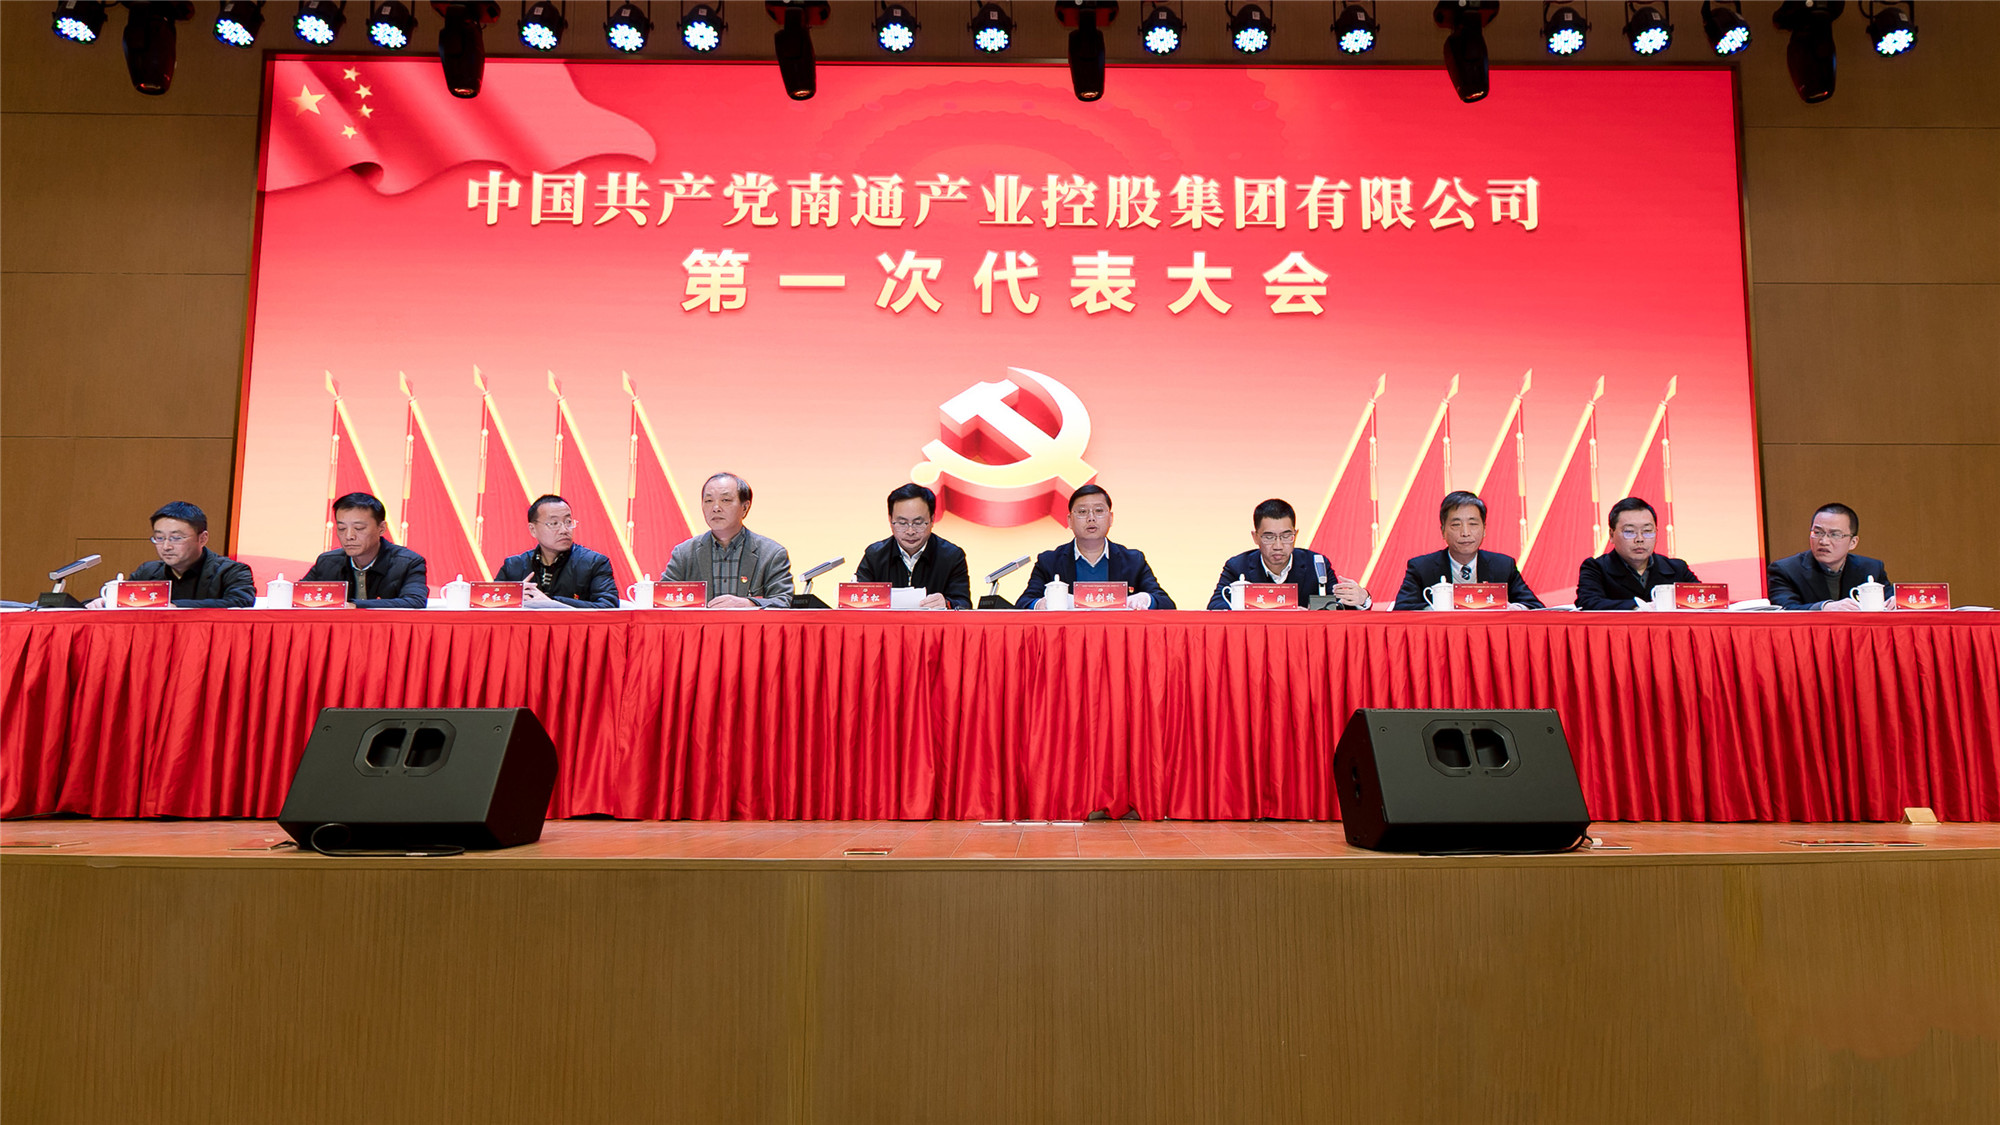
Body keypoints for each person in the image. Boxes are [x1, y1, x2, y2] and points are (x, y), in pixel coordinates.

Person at [1015, 484, 1175, 609]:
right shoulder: (1049, 561)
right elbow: (1023, 603)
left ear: (1110, 518)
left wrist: (1146, 599)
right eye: (1082, 512)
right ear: (1070, 521)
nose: (1091, 518)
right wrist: (1041, 604)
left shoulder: (1133, 561)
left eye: (1099, 511)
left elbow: (1166, 603)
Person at [661, 472, 795, 608]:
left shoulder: (771, 554)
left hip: (748, 623)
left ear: (745, 507)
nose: (716, 508)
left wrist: (749, 604)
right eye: (708, 501)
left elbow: (783, 601)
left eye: (725, 500)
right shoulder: (684, 553)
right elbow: (662, 600)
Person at [1206, 498, 1367, 610]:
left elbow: (1339, 608)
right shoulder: (1238, 566)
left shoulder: (1316, 565)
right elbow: (1215, 607)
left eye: (1286, 536)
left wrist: (1363, 599)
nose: (1278, 545)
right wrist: (1279, 609)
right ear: (1255, 537)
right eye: (1269, 537)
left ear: (1295, 535)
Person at [89, 500, 255, 608]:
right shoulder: (147, 572)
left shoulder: (231, 571)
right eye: (159, 538)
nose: (166, 546)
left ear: (202, 538)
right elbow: (127, 601)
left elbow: (241, 603)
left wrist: (174, 606)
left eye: (176, 538)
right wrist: (105, 602)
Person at [1393, 491, 1542, 610]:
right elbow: (1402, 610)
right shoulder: (1421, 568)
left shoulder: (1503, 566)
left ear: (1484, 529)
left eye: (1473, 524)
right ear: (1443, 531)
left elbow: (1535, 607)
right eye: (1456, 525)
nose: (1465, 533)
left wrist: (1511, 608)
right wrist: (1437, 609)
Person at [853, 483, 972, 610]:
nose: (910, 531)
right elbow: (855, 601)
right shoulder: (875, 555)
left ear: (932, 519)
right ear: (890, 520)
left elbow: (964, 604)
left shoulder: (952, 556)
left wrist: (947, 604)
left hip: (932, 623)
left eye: (918, 523)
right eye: (902, 523)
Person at [302, 492, 429, 608]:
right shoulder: (327, 562)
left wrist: (353, 605)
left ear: (381, 528)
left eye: (359, 528)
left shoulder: (408, 562)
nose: (349, 536)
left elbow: (415, 601)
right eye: (342, 528)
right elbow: (298, 596)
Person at [493, 495, 619, 609]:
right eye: (554, 523)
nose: (564, 530)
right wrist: (512, 597)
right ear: (533, 530)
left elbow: (609, 606)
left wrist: (552, 603)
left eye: (568, 522)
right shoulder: (513, 565)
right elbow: (487, 604)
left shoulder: (594, 563)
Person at [1575, 497, 1699, 610]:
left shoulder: (1677, 569)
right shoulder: (1596, 568)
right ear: (1611, 535)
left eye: (1647, 531)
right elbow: (1587, 602)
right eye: (1629, 532)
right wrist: (1639, 607)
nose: (1640, 539)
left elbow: (1703, 601)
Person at [1767, 502, 1891, 611]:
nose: (1824, 541)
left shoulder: (1871, 568)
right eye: (1817, 532)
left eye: (1835, 535)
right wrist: (1824, 607)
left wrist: (1897, 602)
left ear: (1853, 542)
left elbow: (1891, 598)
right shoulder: (1786, 570)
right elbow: (1784, 610)